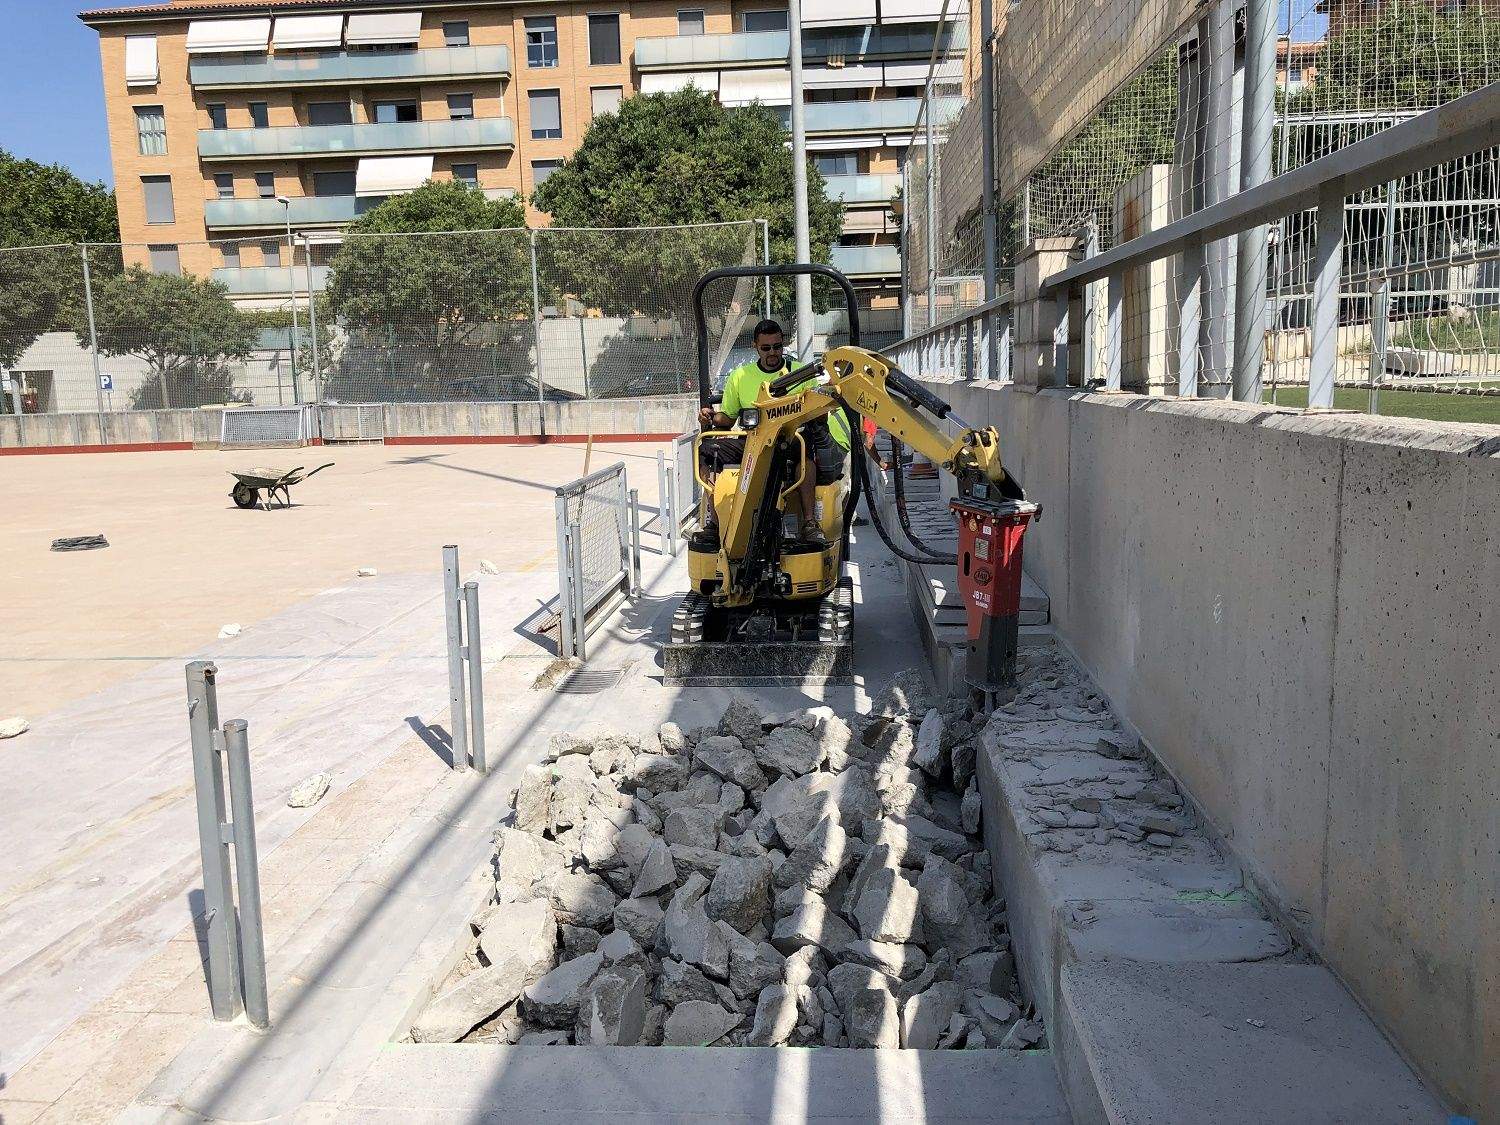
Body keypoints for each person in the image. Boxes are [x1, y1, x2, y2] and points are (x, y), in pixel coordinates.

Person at [695, 319, 849, 547]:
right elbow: (727, 418)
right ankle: (714, 523)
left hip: (789, 440)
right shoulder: (740, 377)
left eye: (777, 347)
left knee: (805, 448)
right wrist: (710, 416)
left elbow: (819, 413)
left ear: (783, 344)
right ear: (756, 347)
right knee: (706, 450)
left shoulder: (800, 374)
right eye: (766, 348)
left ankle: (808, 522)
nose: (773, 353)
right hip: (751, 443)